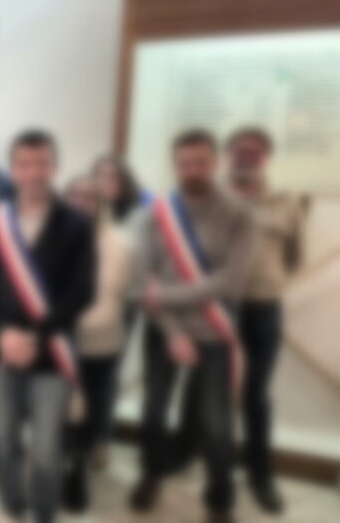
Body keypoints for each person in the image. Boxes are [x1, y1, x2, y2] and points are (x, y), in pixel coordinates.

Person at [0, 130, 96, 523]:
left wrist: (36, 336)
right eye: (24, 163)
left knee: (46, 448)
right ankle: (11, 505)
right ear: (12, 170)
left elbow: (82, 291)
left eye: (42, 163)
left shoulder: (77, 223)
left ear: (55, 167)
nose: (33, 172)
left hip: (52, 352)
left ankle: (43, 512)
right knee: (4, 439)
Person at [129, 130, 255, 523]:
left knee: (217, 424)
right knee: (153, 411)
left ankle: (219, 500)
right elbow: (140, 285)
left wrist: (165, 295)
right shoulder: (153, 214)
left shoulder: (240, 213)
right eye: (185, 163)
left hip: (215, 331)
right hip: (164, 330)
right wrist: (173, 332)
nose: (193, 170)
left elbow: (232, 280)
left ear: (215, 163)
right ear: (175, 166)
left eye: (201, 162)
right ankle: (151, 473)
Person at [225, 128, 303, 513]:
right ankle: (210, 466)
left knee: (256, 394)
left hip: (264, 307)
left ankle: (260, 475)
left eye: (255, 151)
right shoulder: (210, 196)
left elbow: (294, 254)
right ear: (228, 154)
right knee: (211, 391)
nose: (246, 156)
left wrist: (268, 280)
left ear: (266, 156)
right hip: (218, 307)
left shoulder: (285, 201)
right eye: (239, 150)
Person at [61, 174, 133, 513]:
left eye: (89, 196)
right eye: (74, 194)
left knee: (92, 405)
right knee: (61, 409)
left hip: (101, 340)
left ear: (100, 202)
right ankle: (66, 463)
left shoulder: (120, 241)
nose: (81, 201)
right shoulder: (52, 235)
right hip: (59, 340)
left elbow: (125, 291)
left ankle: (78, 468)